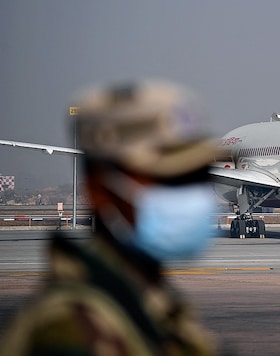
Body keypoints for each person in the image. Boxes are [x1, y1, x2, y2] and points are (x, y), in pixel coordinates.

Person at [0, 81, 224, 355]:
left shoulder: (145, 303)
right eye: (165, 180)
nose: (189, 196)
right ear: (99, 190)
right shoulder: (71, 332)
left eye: (196, 178)